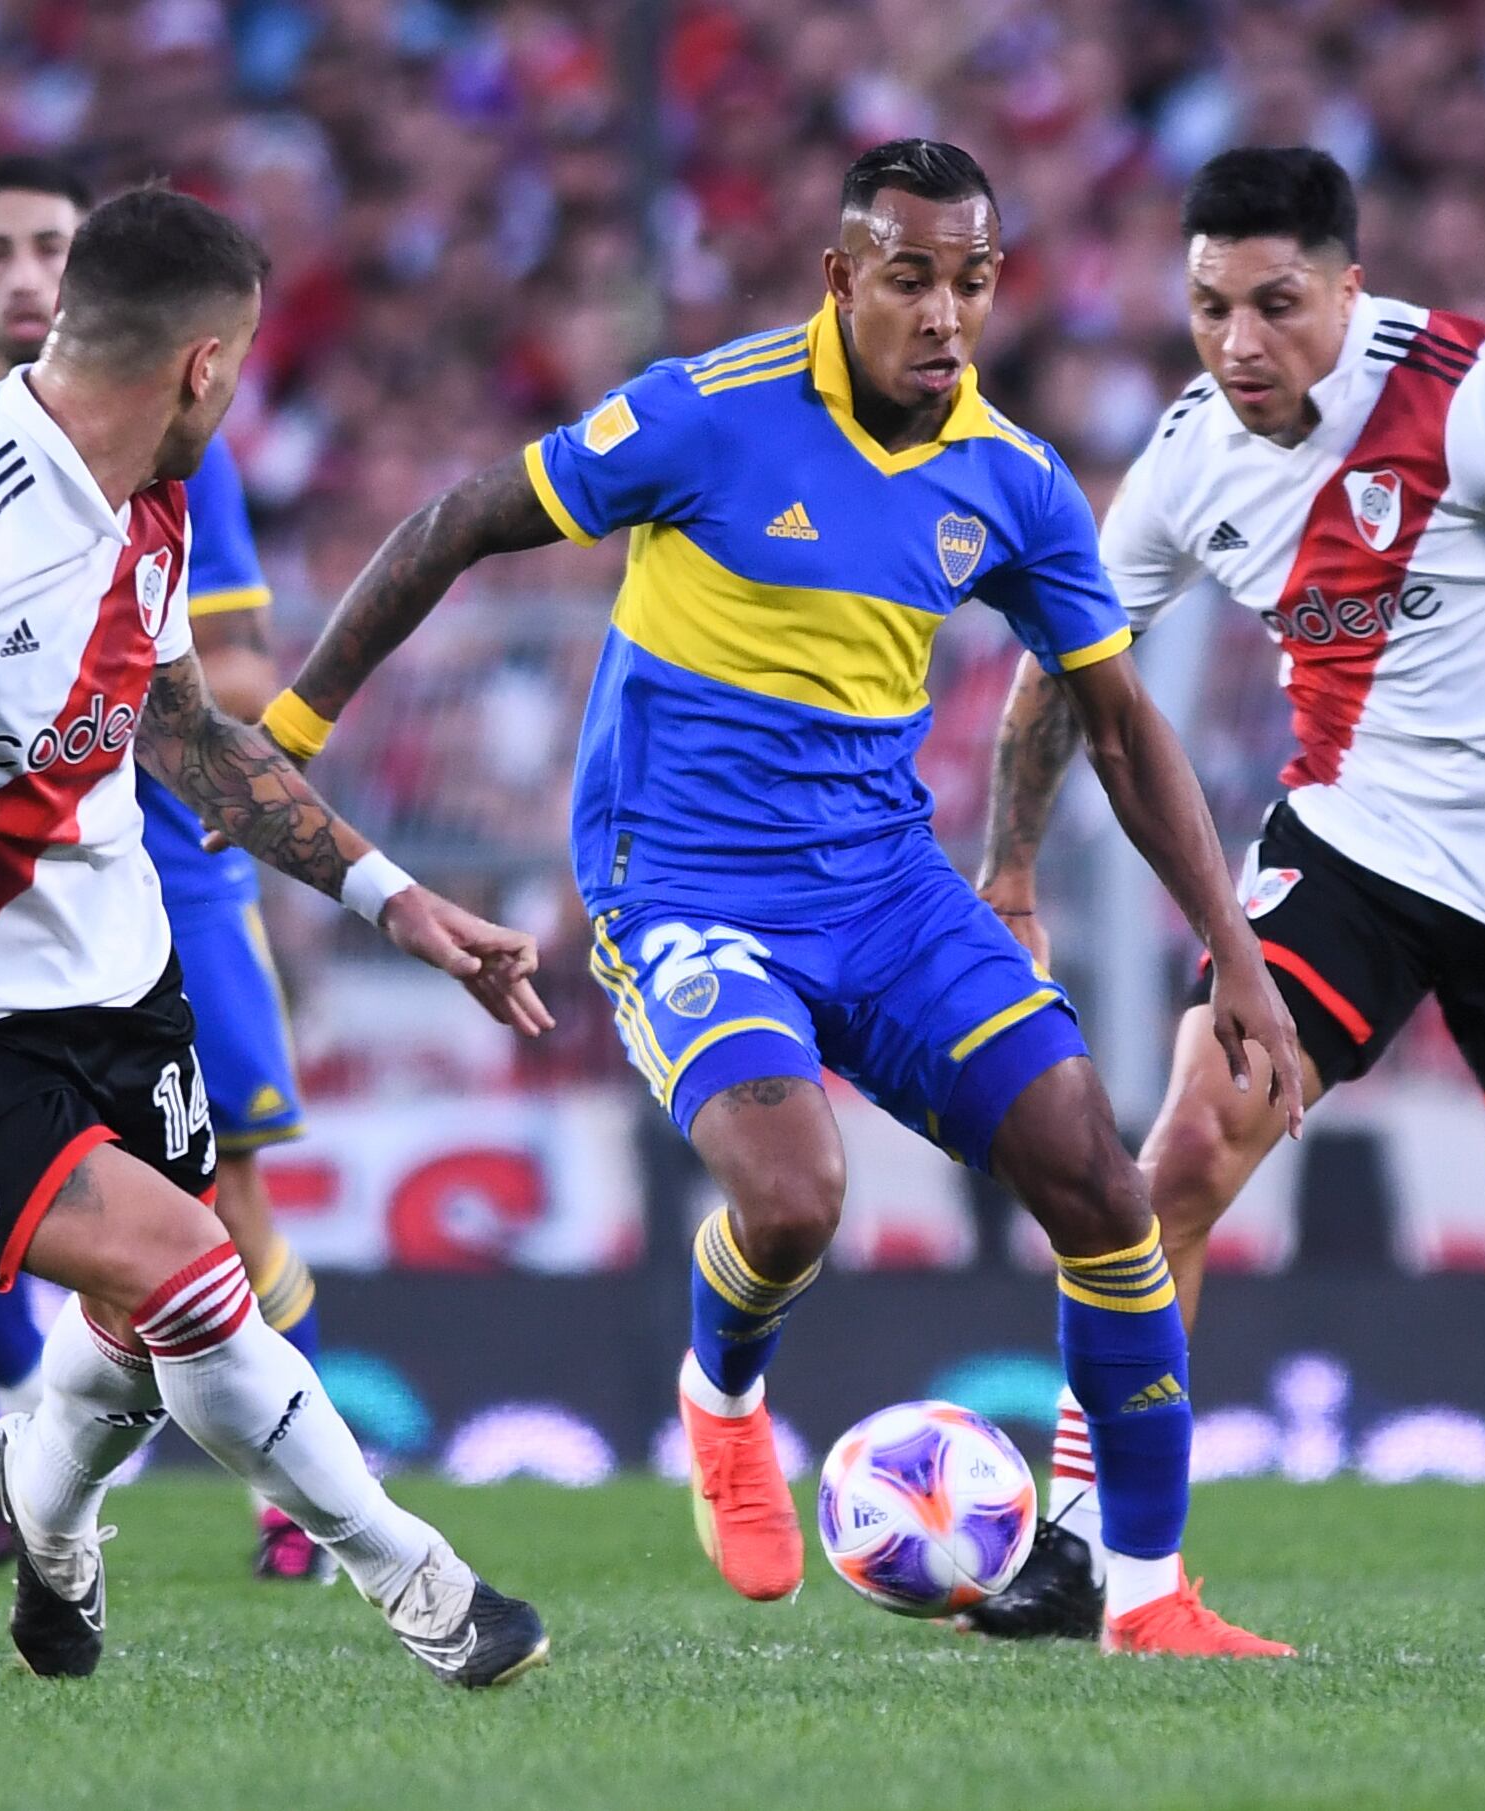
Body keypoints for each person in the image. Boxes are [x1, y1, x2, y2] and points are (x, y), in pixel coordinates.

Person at [258, 140, 1305, 1657]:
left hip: (885, 886)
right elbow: (458, 523)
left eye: (973, 281)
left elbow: (1122, 726)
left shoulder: (1013, 480)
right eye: (910, 278)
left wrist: (1232, 949)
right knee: (796, 1197)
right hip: (682, 884)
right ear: (840, 277)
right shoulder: (707, 412)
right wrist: (290, 733)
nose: (945, 314)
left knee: (1101, 1184)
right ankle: (725, 1391)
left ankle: (1145, 1596)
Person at [0, 187, 552, 1689]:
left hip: (115, 974)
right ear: (205, 365)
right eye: (242, 366)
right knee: (193, 1269)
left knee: (144, 1323)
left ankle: (42, 1504)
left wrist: (392, 898)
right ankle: (425, 1584)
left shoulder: (148, 492)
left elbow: (185, 734)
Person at [967, 147, 1485, 1637]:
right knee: (1177, 1162)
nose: (1239, 343)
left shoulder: (1467, 398)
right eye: (1210, 308)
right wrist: (1010, 869)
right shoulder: (1187, 459)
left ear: (1349, 291)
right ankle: (1095, 1542)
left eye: (1277, 305)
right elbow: (1066, 669)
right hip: (1356, 848)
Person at [0, 156, 331, 1582]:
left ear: (88, 276)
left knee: (222, 1192)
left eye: (49, 247)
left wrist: (95, 685)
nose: (22, 274)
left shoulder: (180, 438)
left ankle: (291, 1502)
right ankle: (21, 1441)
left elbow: (232, 667)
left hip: (163, 863)